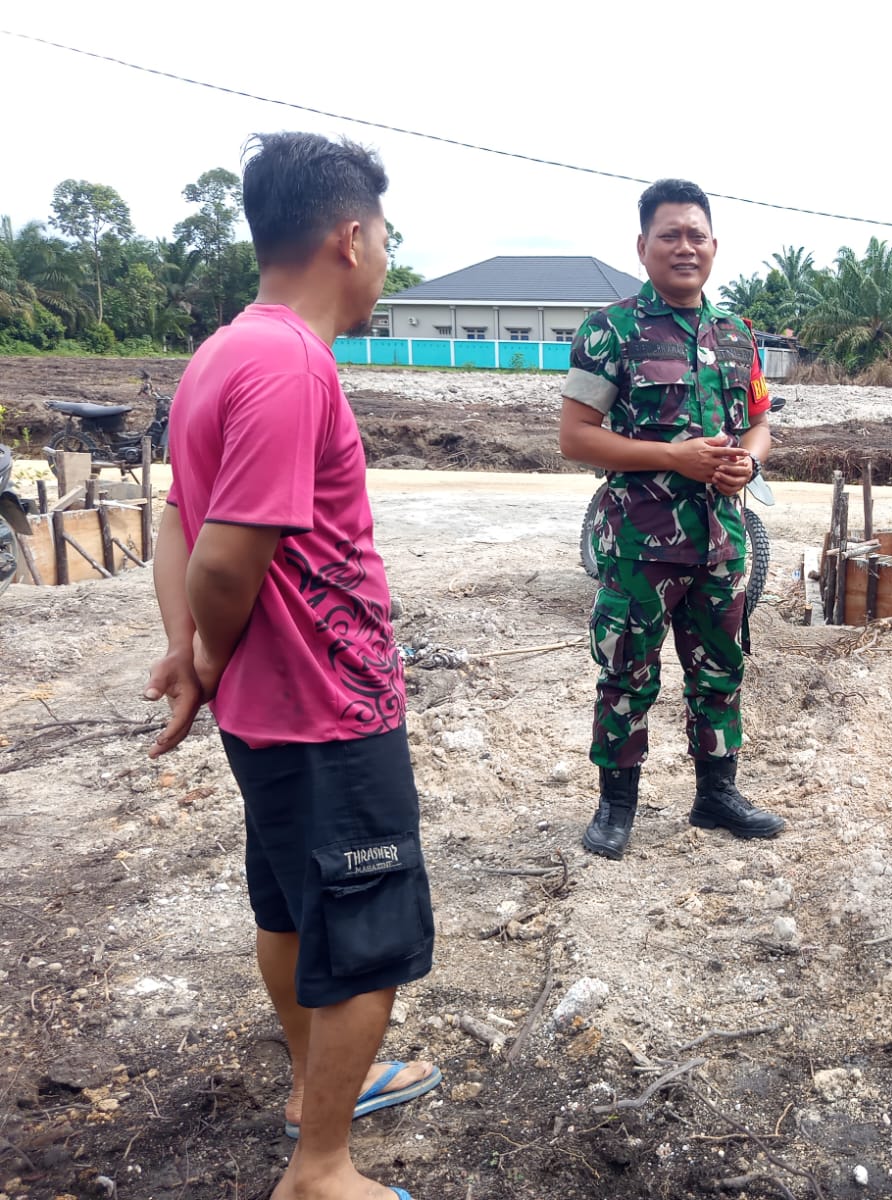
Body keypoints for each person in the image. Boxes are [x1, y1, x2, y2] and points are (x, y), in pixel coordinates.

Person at [143, 131, 437, 1200]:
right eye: (387, 239)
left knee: (289, 908)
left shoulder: (222, 350)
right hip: (328, 710)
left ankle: (319, 1090)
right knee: (366, 939)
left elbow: (179, 519)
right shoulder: (288, 364)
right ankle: (321, 1170)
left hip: (274, 717)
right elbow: (227, 551)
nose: (387, 260)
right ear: (349, 238)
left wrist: (187, 655)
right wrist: (208, 652)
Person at [558, 178, 784, 860]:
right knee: (627, 673)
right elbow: (575, 436)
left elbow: (762, 422)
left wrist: (747, 459)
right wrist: (673, 458)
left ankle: (717, 794)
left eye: (697, 235)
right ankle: (616, 805)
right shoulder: (610, 332)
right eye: (670, 235)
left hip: (723, 544)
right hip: (639, 546)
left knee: (720, 668)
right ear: (643, 246)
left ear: (714, 245)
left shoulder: (740, 336)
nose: (685, 247)